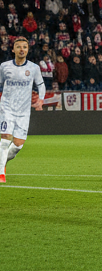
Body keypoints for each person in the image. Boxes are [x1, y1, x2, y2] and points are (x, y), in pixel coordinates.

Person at [0, 36, 46, 183]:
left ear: (28, 50)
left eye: (24, 47)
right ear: (13, 49)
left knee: (17, 146)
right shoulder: (4, 67)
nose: (22, 49)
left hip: (24, 112)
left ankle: (2, 161)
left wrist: (41, 100)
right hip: (7, 108)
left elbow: (41, 85)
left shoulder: (34, 68)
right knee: (5, 140)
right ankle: (1, 174)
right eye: (18, 47)